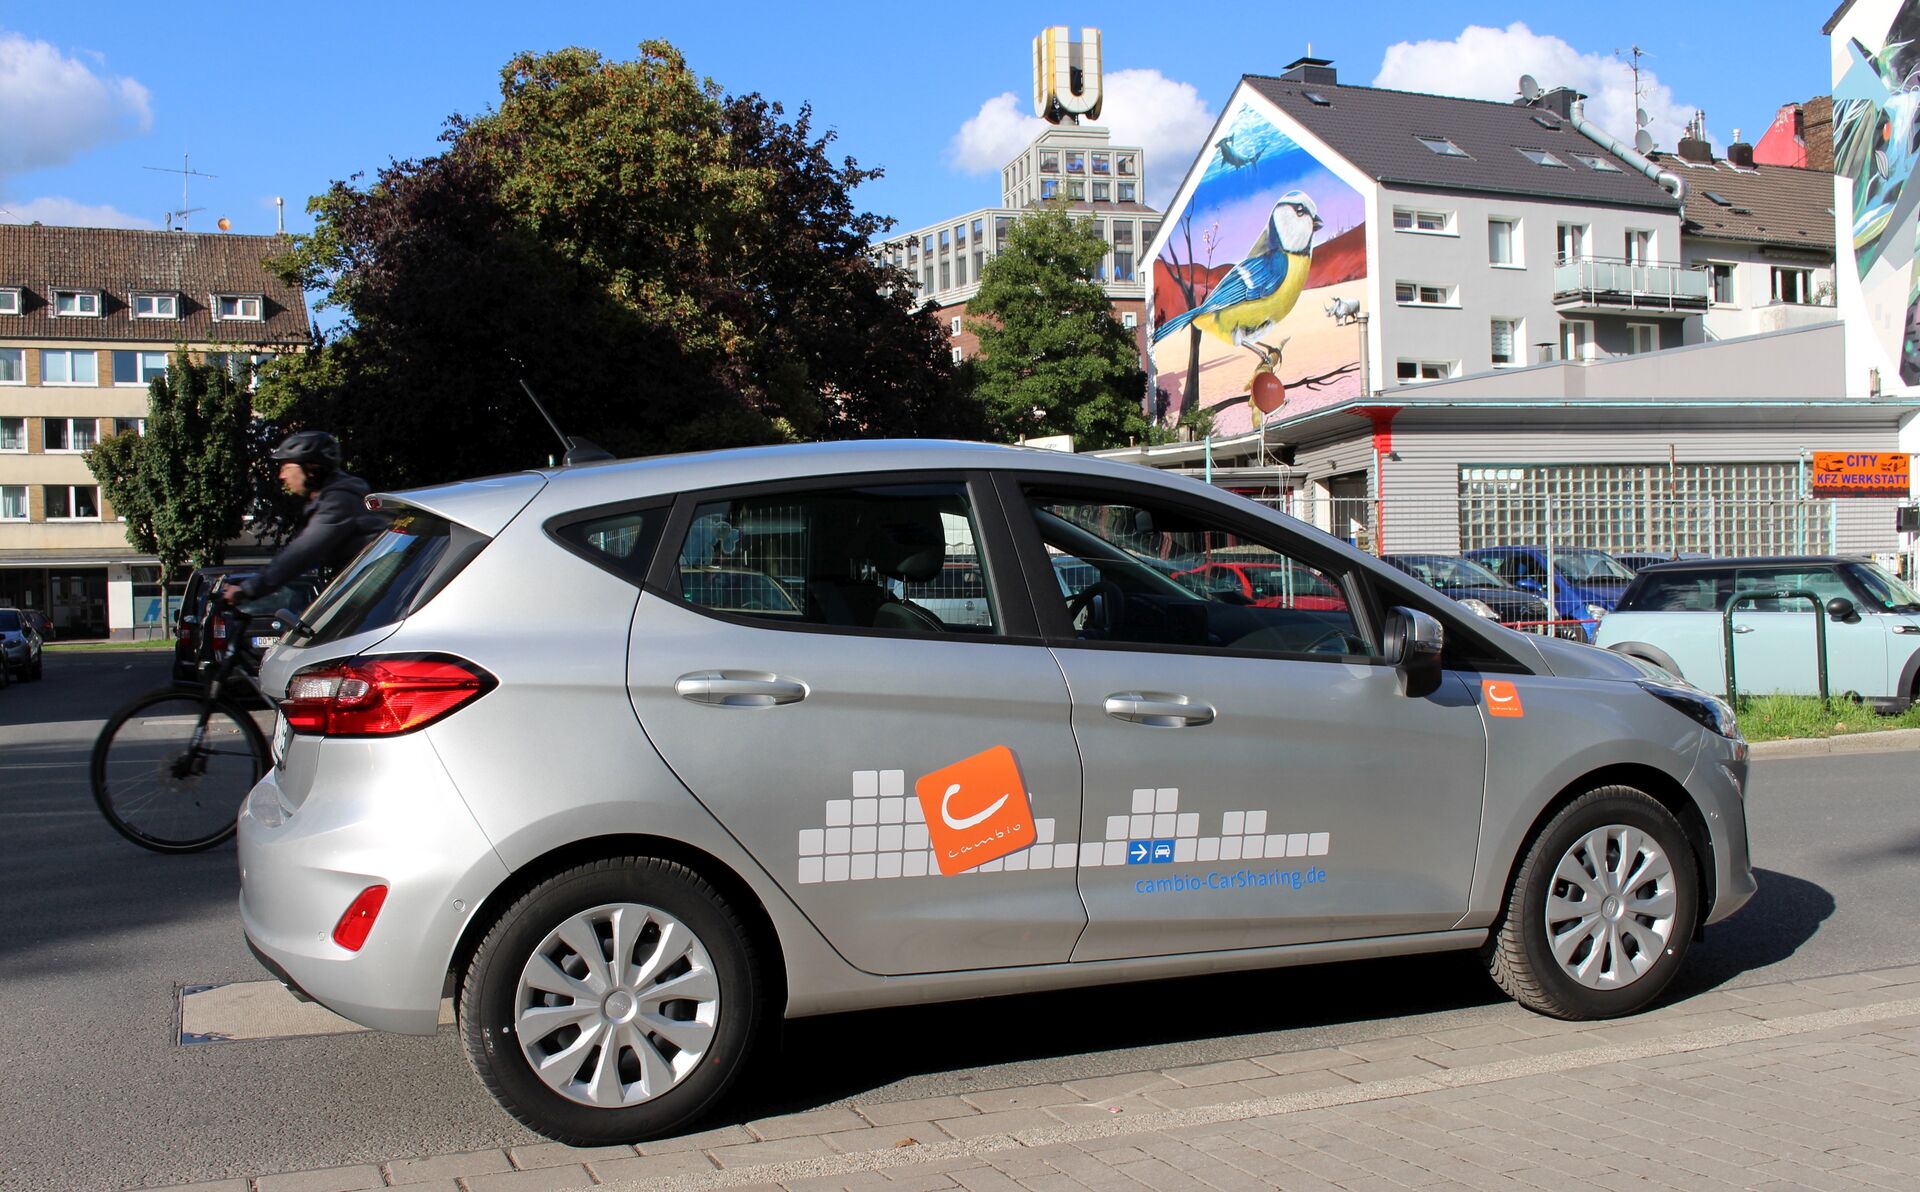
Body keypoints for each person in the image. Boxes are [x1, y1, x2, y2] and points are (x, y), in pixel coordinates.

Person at [222, 431, 388, 605]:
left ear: (310, 468)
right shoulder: (331, 498)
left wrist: (248, 589)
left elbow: (303, 551)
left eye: (286, 467)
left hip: (384, 594)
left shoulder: (340, 500)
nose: (282, 475)